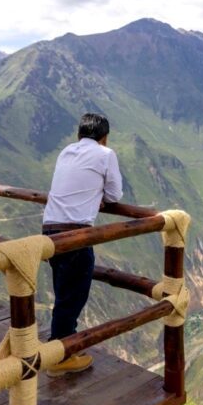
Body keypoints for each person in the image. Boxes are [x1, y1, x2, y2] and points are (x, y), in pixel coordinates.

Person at [42, 113, 123, 376]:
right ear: (104, 137)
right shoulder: (105, 154)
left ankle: (60, 346)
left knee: (63, 291)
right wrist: (98, 194)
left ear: (78, 135)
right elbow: (114, 194)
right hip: (75, 232)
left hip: (50, 230)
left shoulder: (66, 151)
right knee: (73, 295)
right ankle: (61, 357)